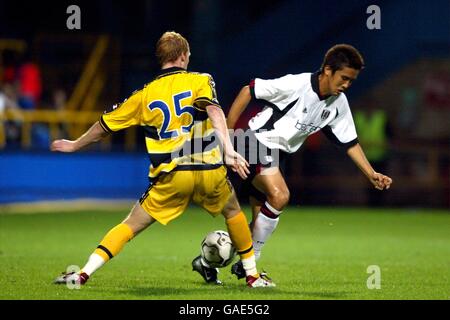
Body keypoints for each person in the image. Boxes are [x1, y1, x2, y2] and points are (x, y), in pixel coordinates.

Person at [52, 31, 274, 288]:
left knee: (130, 225)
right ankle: (252, 276)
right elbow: (214, 110)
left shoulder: (143, 95)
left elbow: (104, 126)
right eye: (188, 54)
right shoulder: (200, 79)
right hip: (209, 170)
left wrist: (74, 144)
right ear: (182, 56)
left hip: (172, 175)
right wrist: (227, 149)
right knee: (233, 212)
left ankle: (82, 275)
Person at [192, 44, 393, 281]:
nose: (347, 84)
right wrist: (229, 134)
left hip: (278, 154)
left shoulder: (339, 103)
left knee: (257, 226)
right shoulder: (296, 84)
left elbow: (350, 142)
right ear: (328, 70)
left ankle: (206, 262)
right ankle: (250, 269)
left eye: (352, 80)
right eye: (344, 78)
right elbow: (249, 89)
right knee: (280, 196)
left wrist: (371, 173)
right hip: (256, 141)